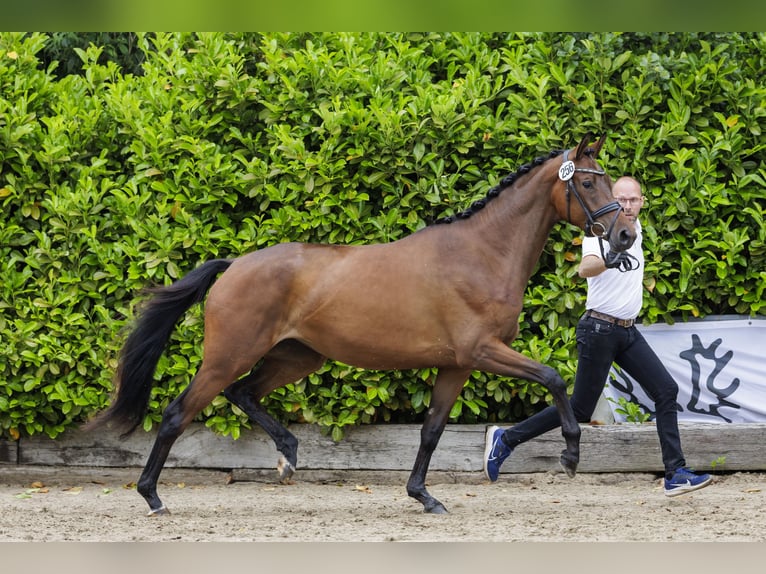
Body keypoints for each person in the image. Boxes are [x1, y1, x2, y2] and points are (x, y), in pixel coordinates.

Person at [484, 176, 712, 497]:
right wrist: (608, 259)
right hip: (599, 329)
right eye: (621, 199)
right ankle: (506, 440)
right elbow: (584, 268)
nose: (627, 205)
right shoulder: (600, 229)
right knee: (579, 409)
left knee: (665, 390)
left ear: (642, 202)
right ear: (611, 199)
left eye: (633, 200)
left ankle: (675, 473)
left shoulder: (635, 229)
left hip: (626, 331)